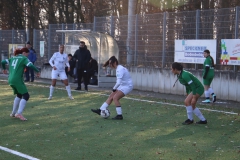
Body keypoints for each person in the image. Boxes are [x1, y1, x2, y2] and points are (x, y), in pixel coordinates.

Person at [1, 48, 40, 121]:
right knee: (26, 95)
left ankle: (13, 113)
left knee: (19, 95)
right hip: (17, 80)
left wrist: (4, 69)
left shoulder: (13, 57)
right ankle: (19, 113)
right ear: (24, 53)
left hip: (10, 79)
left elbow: (2, 62)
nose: (27, 56)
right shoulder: (23, 58)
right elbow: (30, 65)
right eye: (27, 54)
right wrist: (37, 71)